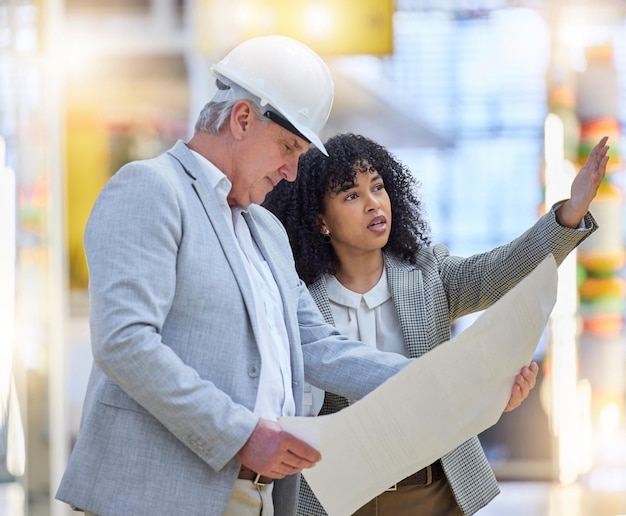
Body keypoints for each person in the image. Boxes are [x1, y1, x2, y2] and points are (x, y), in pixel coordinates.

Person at [56, 35, 537, 516]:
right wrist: (240, 434)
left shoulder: (263, 228)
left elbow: (318, 346)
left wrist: (461, 380)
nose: (291, 172)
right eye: (288, 147)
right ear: (243, 118)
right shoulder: (152, 190)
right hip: (159, 496)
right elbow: (126, 342)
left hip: (259, 495)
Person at [263, 132, 608, 516]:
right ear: (320, 220)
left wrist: (571, 212)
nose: (374, 203)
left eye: (377, 187)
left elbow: (503, 269)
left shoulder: (428, 276)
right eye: (351, 195)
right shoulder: (297, 299)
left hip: (431, 492)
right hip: (336, 501)